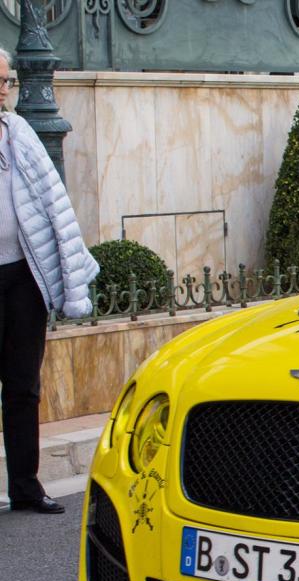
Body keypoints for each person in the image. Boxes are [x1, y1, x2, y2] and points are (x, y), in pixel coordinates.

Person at [0, 47, 98, 514]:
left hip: (23, 278)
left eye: (5, 82)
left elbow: (56, 205)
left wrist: (71, 270)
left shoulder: (18, 131)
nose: (3, 90)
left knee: (23, 386)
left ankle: (25, 486)